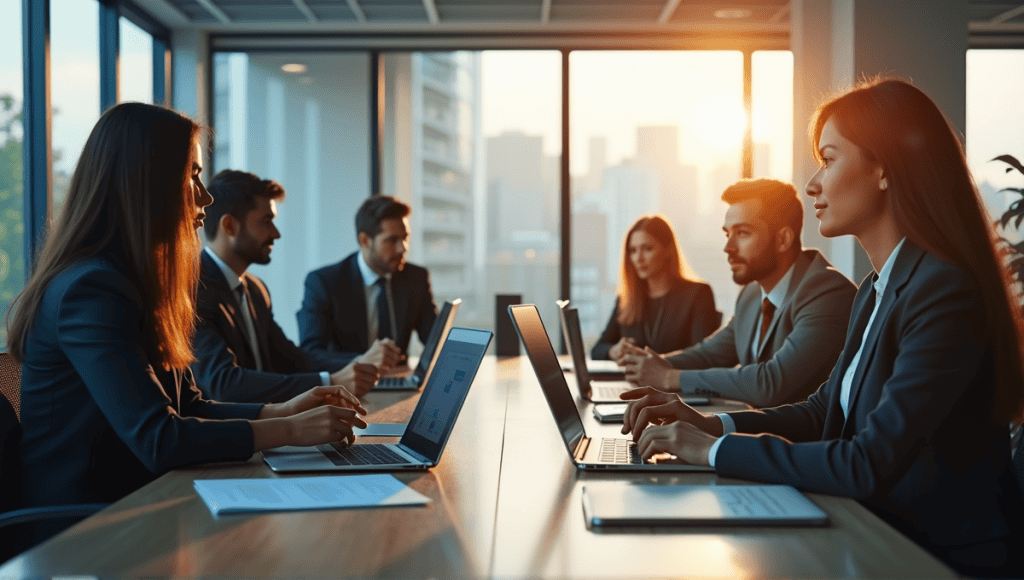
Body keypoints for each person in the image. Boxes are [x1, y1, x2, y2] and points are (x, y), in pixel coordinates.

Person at [621, 78, 1024, 577]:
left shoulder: (943, 292)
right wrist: (713, 425)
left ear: (884, 170)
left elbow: (867, 461)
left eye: (829, 159)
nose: (812, 183)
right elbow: (822, 413)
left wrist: (715, 451)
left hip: (934, 556)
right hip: (875, 530)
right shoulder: (880, 287)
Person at [4, 103, 368, 521]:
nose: (206, 197)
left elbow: (189, 407)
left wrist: (283, 411)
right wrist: (288, 431)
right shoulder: (91, 290)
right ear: (148, 182)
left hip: (137, 500)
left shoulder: (130, 283)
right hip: (84, 524)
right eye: (193, 175)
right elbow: (159, 439)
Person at [622, 179, 856, 407]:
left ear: (783, 239)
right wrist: (653, 364)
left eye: (742, 233)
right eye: (727, 234)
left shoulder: (827, 293)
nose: (728, 247)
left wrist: (669, 378)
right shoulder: (752, 295)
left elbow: (770, 384)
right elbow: (709, 355)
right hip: (760, 432)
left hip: (807, 442)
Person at [193, 170, 379, 402]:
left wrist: (361, 363)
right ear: (229, 226)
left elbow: (292, 359)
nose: (276, 233)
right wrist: (330, 382)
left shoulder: (255, 288)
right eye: (266, 220)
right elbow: (222, 383)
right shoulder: (192, 290)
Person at [298, 195, 438, 372]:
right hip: (346, 385)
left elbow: (435, 340)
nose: (403, 248)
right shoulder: (324, 282)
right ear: (364, 240)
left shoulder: (416, 278)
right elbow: (311, 352)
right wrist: (363, 360)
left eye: (405, 238)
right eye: (392, 240)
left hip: (399, 381)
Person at [590, 215, 719, 364]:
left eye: (647, 248)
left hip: (675, 385)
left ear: (668, 250)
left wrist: (650, 361)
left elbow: (703, 356)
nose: (638, 258)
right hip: (632, 383)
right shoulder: (627, 299)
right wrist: (614, 350)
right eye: (633, 250)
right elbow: (597, 349)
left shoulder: (698, 294)